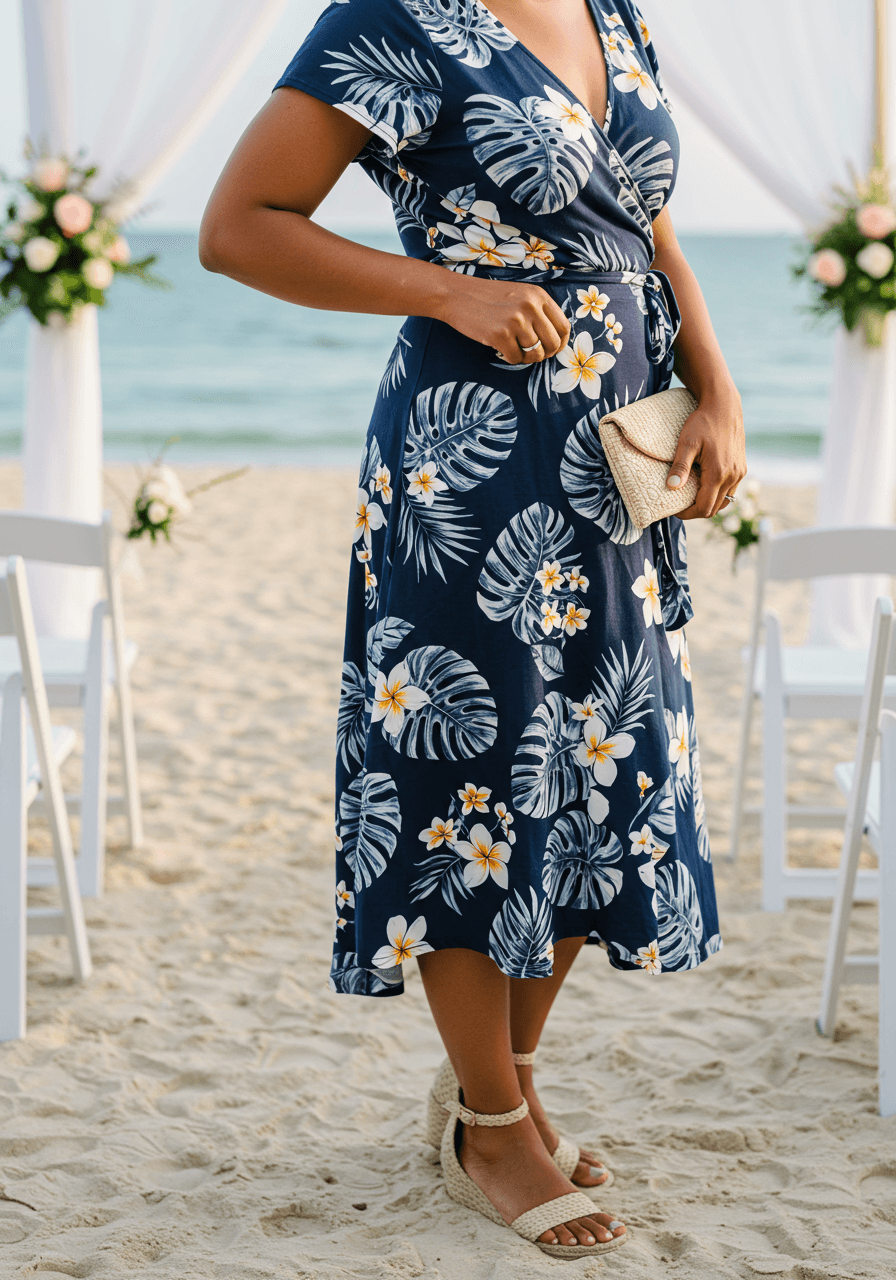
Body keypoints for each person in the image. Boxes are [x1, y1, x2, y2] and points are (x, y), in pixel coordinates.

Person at [200, 0, 745, 1258]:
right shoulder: (389, 20)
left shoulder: (610, 12)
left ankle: (499, 1085)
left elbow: (644, 221)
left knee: (593, 763)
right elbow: (237, 230)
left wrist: (712, 376)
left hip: (619, 459)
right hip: (471, 460)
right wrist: (446, 290)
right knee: (477, 773)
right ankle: (492, 1124)